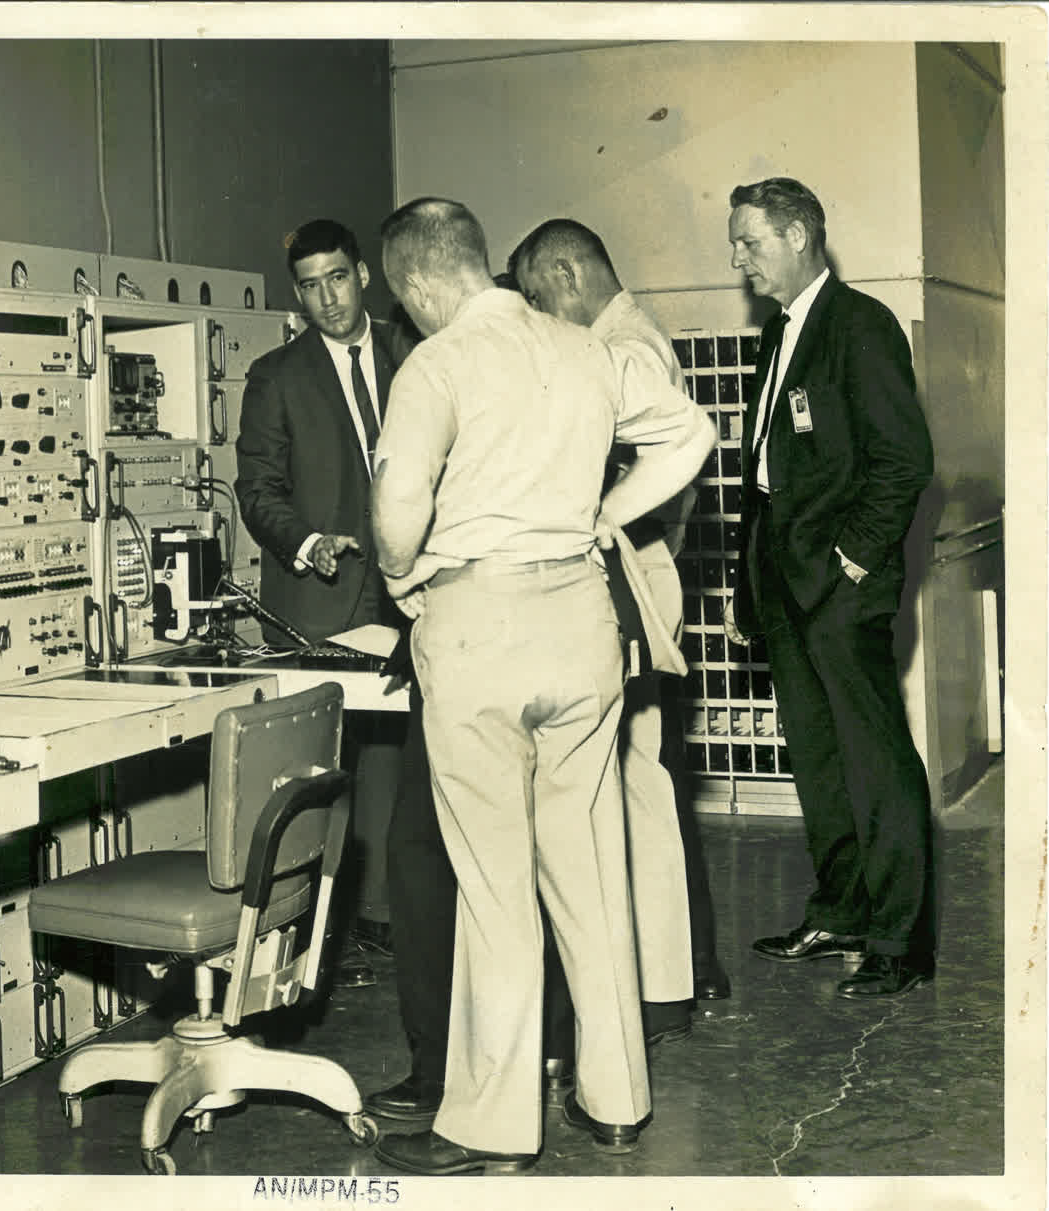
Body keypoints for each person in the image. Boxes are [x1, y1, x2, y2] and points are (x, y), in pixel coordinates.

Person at [369, 198, 714, 1175]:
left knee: (494, 883)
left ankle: (493, 1121)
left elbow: (398, 515)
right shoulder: (582, 348)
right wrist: (607, 515)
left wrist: (406, 578)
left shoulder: (432, 366)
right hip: (581, 627)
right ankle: (617, 1099)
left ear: (417, 284)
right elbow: (690, 434)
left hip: (478, 626)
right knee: (594, 864)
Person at [514, 217, 732, 1038]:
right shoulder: (631, 331)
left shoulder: (621, 347)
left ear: (567, 276)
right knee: (644, 783)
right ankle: (669, 979)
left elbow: (659, 449)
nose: (539, 314)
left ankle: (660, 984)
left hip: (629, 576)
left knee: (631, 788)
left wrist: (599, 516)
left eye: (539, 297)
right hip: (641, 571)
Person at [725, 178, 935, 997]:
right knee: (817, 756)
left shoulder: (861, 326)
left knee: (874, 759)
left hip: (841, 579)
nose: (737, 259)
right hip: (785, 579)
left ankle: (898, 941)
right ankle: (842, 908)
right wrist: (754, 586)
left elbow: (904, 461)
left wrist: (853, 557)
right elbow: (765, 471)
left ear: (799, 236)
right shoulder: (780, 333)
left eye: (750, 242)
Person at [234, 218, 415, 988]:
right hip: (322, 593)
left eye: (337, 278)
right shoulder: (276, 376)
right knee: (315, 768)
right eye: (309, 286)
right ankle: (301, 935)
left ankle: (386, 916)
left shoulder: (415, 354)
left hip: (411, 590)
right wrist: (306, 542)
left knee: (399, 763)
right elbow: (258, 489)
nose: (326, 298)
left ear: (364, 274)